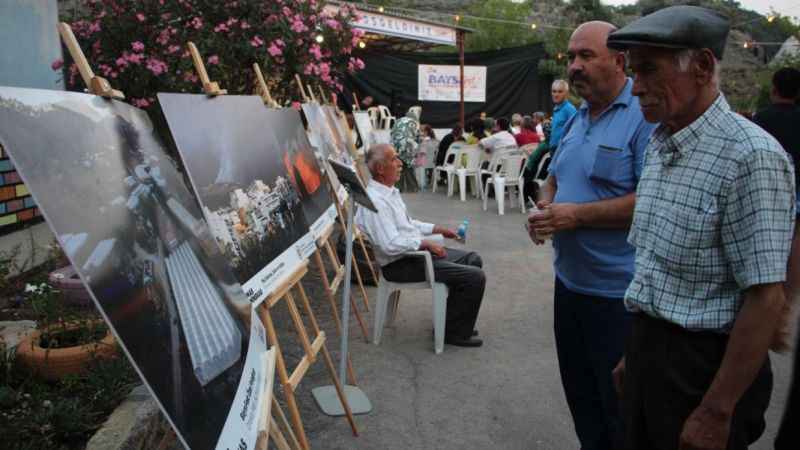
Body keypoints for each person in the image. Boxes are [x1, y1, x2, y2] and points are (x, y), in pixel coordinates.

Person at [605, 6, 795, 450]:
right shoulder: (660, 144)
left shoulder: (751, 157)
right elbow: (655, 264)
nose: (637, 89)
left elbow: (766, 298)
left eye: (649, 70)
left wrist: (717, 409)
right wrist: (636, 356)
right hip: (650, 352)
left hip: (704, 370)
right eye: (634, 73)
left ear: (704, 66)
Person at [527, 21, 656, 450]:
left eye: (586, 56)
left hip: (619, 298)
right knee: (583, 403)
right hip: (570, 288)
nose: (575, 66)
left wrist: (576, 217)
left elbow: (652, 201)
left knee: (620, 413)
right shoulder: (578, 118)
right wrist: (546, 206)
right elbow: (557, 178)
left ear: (620, 61)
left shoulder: (644, 116)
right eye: (571, 57)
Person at [355, 144, 486, 347]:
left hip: (412, 256)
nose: (400, 163)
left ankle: (453, 323)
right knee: (474, 277)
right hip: (401, 265)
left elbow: (408, 225)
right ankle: (454, 333)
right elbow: (390, 245)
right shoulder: (377, 201)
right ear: (380, 169)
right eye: (394, 159)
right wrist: (425, 243)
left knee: (473, 259)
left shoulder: (388, 193)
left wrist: (439, 229)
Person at [751, 67, 800, 450]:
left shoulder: (760, 122)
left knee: (760, 274)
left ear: (774, 89)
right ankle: (781, 314)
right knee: (786, 274)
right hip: (796, 209)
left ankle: (769, 314)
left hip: (765, 204)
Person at [389, 106, 422, 192]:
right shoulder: (415, 123)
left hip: (395, 146)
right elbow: (418, 138)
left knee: (399, 166)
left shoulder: (398, 121)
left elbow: (391, 133)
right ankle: (413, 187)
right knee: (408, 166)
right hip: (407, 145)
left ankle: (398, 187)